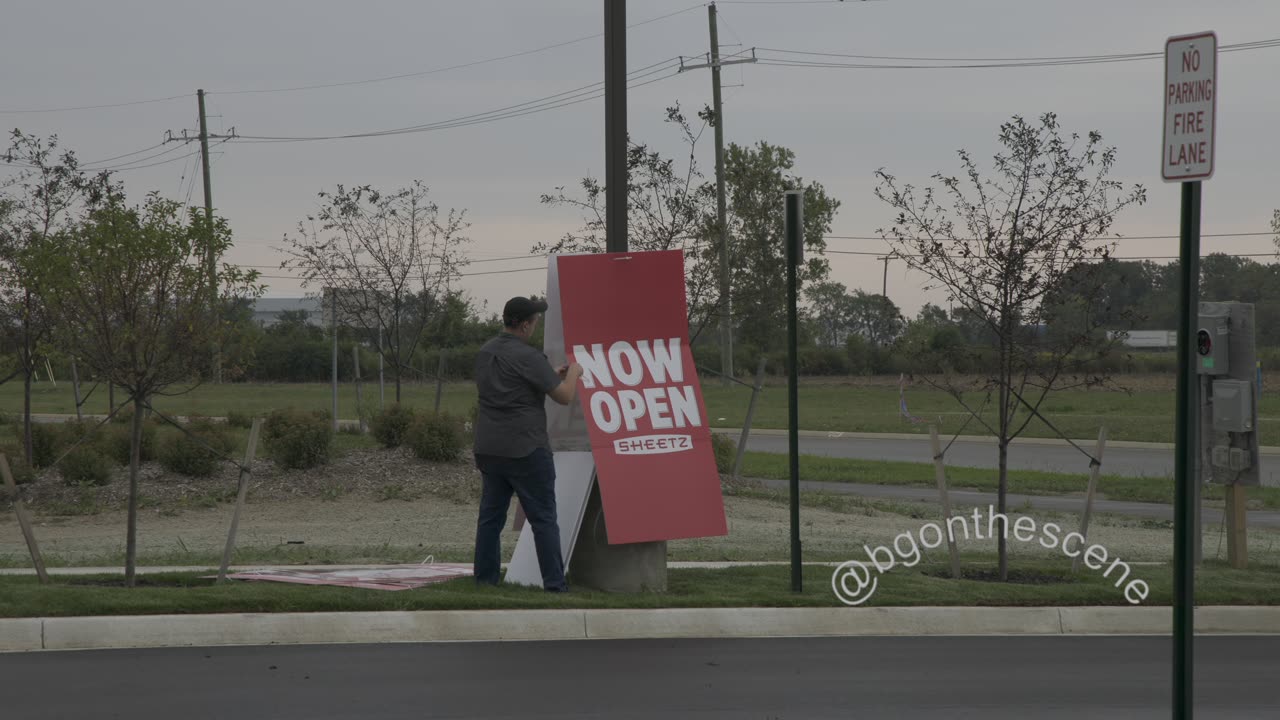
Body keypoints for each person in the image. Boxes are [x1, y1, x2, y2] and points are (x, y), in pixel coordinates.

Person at [472, 296, 583, 591]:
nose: (536, 326)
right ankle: (555, 586)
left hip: (489, 447)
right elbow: (565, 396)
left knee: (490, 518)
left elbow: (513, 384)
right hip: (525, 448)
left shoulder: (485, 352)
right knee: (544, 518)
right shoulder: (529, 356)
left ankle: (485, 582)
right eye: (534, 321)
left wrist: (550, 375)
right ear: (523, 324)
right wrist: (574, 373)